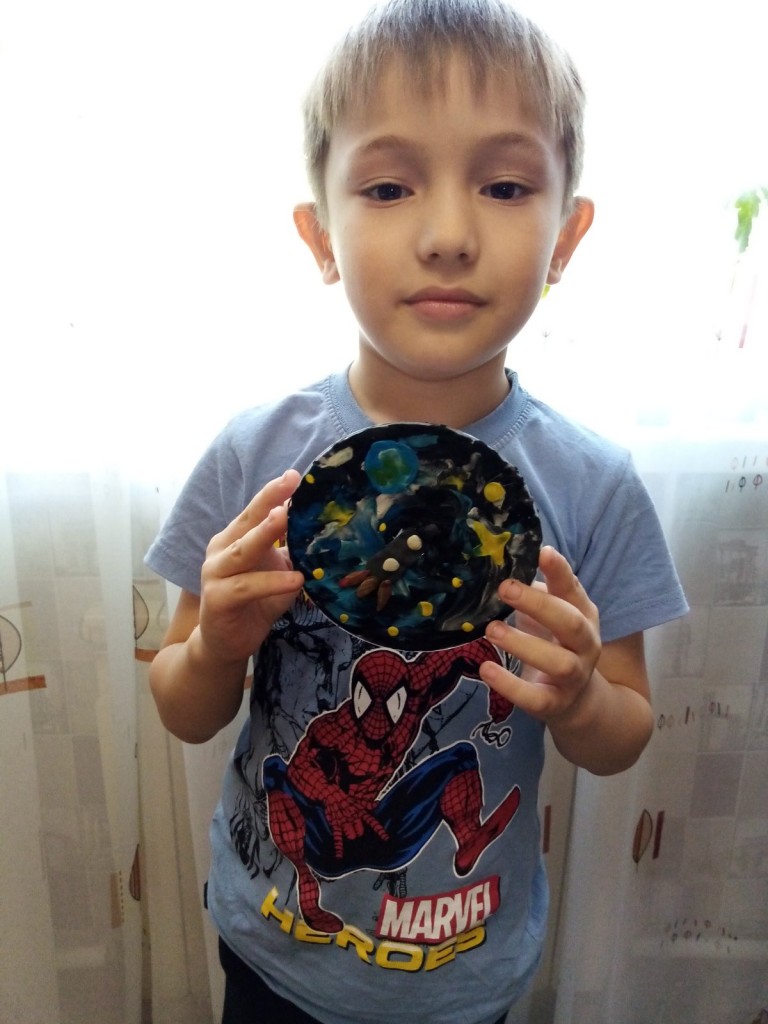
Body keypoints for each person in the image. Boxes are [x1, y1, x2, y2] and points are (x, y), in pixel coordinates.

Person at [145, 1, 688, 1021]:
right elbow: (182, 706)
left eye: (505, 186)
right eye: (389, 187)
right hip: (274, 946)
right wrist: (216, 643)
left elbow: (622, 733)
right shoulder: (257, 457)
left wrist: (579, 696)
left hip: (467, 969)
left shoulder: (593, 483)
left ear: (566, 236)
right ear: (321, 235)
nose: (446, 236)